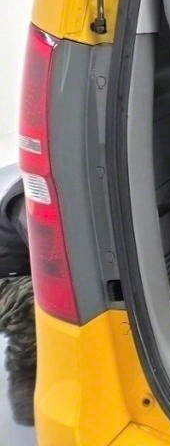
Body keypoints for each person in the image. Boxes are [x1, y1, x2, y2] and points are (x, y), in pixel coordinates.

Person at [0, 168, 34, 426]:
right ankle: (24, 372)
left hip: (21, 274)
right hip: (6, 283)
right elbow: (54, 256)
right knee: (36, 299)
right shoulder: (28, 199)